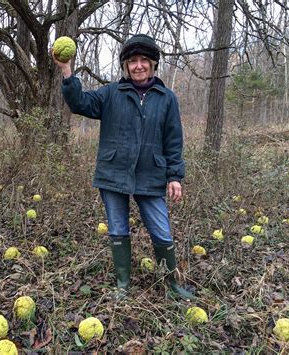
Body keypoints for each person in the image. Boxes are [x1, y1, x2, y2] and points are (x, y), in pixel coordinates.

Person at [53, 34, 195, 300]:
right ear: (126, 66)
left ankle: (172, 285)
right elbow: (79, 103)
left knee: (161, 230)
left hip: (151, 174)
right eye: (132, 61)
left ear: (153, 64)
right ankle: (123, 283)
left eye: (144, 61)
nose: (138, 66)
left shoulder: (167, 98)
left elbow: (173, 140)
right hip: (113, 173)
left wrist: (175, 175)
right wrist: (66, 70)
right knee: (118, 229)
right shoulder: (110, 94)